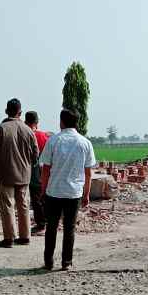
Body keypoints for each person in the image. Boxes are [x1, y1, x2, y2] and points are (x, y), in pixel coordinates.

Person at [40, 108, 96, 271]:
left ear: (61, 121)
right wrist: (86, 194)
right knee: (69, 228)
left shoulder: (54, 141)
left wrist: (43, 190)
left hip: (54, 191)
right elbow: (88, 173)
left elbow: (45, 170)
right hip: (74, 193)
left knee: (51, 227)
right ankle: (66, 262)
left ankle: (49, 262)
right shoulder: (85, 143)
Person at [0, 98, 38, 248]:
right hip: (24, 174)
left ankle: (9, 238)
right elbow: (35, 153)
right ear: (20, 113)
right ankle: (25, 236)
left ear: (6, 111)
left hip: (6, 174)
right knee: (23, 205)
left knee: (7, 205)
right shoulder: (28, 130)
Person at [24, 110, 49, 235]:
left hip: (25, 171)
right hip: (42, 171)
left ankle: (41, 224)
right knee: (40, 197)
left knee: (34, 199)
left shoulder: (22, 134)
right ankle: (43, 223)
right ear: (37, 122)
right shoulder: (43, 136)